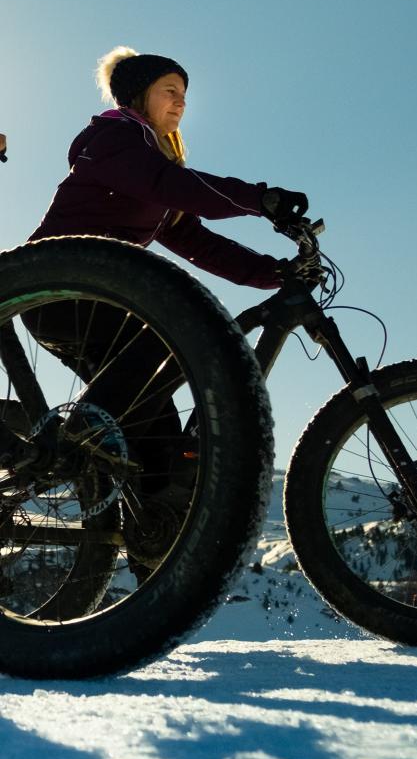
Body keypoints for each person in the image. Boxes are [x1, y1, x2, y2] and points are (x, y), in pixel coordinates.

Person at [23, 46, 309, 484]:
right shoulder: (115, 140)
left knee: (155, 436)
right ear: (138, 95)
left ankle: (151, 535)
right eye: (170, 91)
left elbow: (194, 240)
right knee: (182, 335)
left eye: (185, 96)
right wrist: (260, 199)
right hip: (60, 290)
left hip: (102, 299)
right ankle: (78, 436)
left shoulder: (152, 160)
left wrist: (274, 272)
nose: (180, 102)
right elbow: (171, 185)